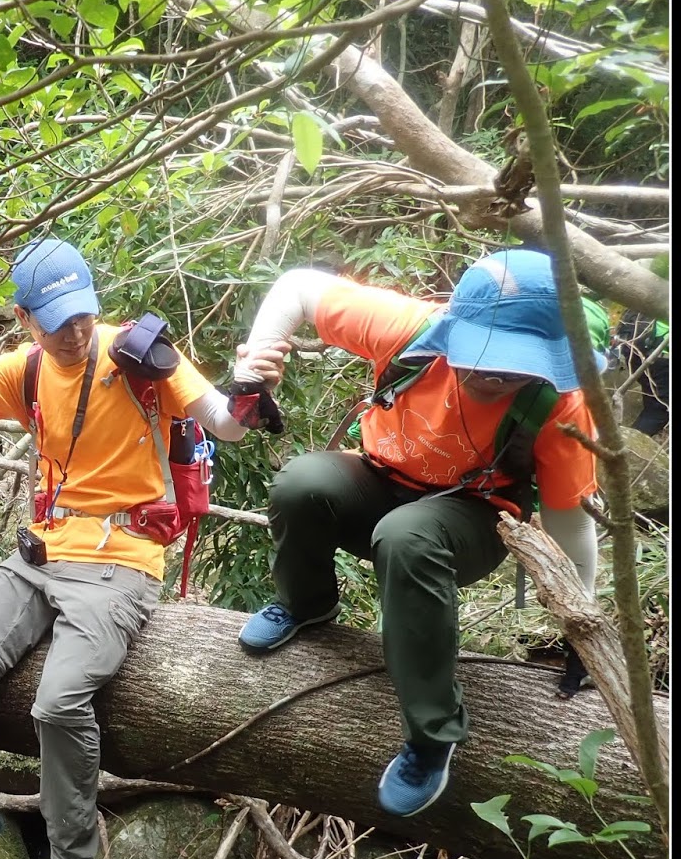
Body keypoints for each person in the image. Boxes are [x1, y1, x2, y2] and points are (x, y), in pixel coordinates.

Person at [0, 236, 285, 859]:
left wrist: (252, 385)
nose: (75, 332)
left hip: (121, 561)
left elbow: (224, 424)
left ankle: (73, 856)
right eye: (56, 322)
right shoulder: (26, 370)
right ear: (24, 320)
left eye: (82, 315)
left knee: (57, 703)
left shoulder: (140, 357)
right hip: (42, 552)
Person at [231, 248, 599, 818]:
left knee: (407, 536)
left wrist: (580, 624)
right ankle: (306, 605)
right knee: (301, 483)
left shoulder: (560, 406)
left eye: (513, 367)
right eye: (483, 358)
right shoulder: (410, 331)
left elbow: (570, 526)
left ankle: (433, 736)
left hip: (475, 516)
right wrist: (256, 366)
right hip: (381, 480)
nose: (494, 376)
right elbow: (299, 287)